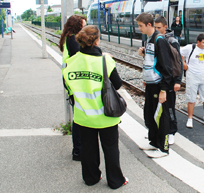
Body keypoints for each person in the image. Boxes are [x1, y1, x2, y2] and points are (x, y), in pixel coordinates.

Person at [62, 25, 128, 189]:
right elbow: (118, 84)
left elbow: (68, 87)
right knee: (111, 149)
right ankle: (115, 180)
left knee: (88, 149)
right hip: (106, 115)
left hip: (83, 116)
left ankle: (91, 178)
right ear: (97, 40)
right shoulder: (105, 60)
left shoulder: (70, 62)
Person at [137, 12, 173, 158]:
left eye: (141, 26)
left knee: (160, 117)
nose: (139, 28)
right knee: (150, 114)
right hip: (151, 84)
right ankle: (153, 142)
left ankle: (163, 148)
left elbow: (166, 66)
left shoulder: (159, 40)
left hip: (159, 85)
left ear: (149, 25)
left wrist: (164, 89)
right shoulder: (149, 39)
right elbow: (154, 61)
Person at [59, 14, 86, 162]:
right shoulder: (74, 40)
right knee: (79, 118)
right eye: (83, 24)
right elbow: (79, 59)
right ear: (77, 26)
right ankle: (78, 151)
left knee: (78, 115)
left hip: (70, 80)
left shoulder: (68, 37)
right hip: (74, 82)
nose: (86, 27)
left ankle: (78, 149)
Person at [154, 16, 183, 145]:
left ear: (165, 27)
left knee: (169, 106)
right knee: (157, 106)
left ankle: (171, 131)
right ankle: (160, 130)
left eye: (159, 27)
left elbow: (178, 62)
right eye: (155, 27)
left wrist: (178, 80)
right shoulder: (152, 39)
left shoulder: (172, 41)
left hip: (170, 80)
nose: (156, 30)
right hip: (157, 79)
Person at [180, 33, 204, 128]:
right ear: (198, 42)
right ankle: (190, 118)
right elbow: (179, 53)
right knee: (191, 98)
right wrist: (183, 63)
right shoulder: (190, 47)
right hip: (192, 75)